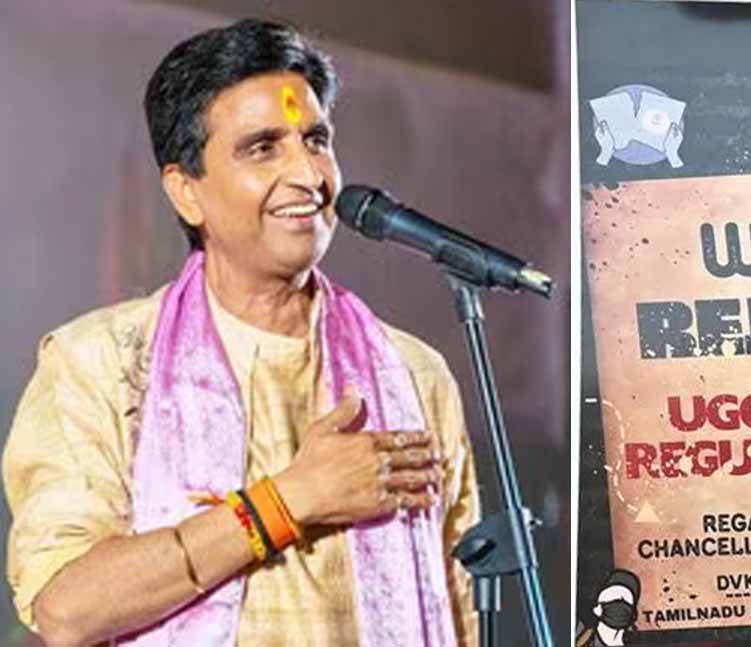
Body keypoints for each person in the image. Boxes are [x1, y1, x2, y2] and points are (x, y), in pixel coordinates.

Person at [3, 18, 479, 647]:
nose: (308, 175)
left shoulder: (412, 374)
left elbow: (458, 611)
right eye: (263, 148)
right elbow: (66, 609)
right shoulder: (100, 364)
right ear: (186, 192)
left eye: (315, 140)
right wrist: (288, 501)